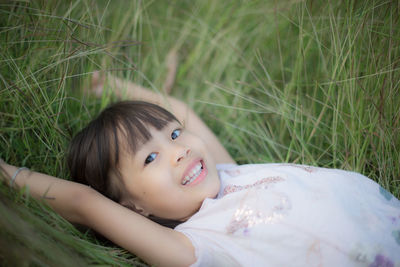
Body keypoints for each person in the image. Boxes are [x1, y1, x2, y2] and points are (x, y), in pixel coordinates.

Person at [1, 74, 399, 267]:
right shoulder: (192, 247)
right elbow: (85, 202)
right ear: (132, 207)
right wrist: (8, 173)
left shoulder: (228, 170)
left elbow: (184, 111)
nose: (177, 151)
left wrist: (111, 84)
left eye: (173, 135)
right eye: (149, 158)